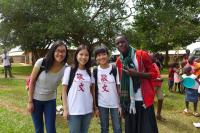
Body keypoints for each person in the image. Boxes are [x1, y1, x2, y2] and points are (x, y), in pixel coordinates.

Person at [115, 35, 158, 133]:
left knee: (147, 129)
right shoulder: (119, 61)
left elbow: (154, 74)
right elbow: (120, 81)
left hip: (144, 101)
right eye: (117, 43)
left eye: (122, 41)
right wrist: (121, 104)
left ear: (128, 41)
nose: (120, 44)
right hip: (129, 102)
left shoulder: (141, 55)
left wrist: (137, 74)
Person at [27, 40, 68, 133]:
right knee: (39, 129)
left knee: (51, 129)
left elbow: (67, 85)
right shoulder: (41, 62)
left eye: (63, 51)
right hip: (36, 100)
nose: (60, 54)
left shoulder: (65, 67)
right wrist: (30, 102)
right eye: (58, 50)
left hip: (50, 101)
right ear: (53, 51)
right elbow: (32, 82)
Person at [62, 44, 94, 133]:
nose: (83, 57)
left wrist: (93, 107)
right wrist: (65, 109)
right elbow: (64, 91)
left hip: (87, 110)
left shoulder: (89, 72)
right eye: (81, 54)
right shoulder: (69, 70)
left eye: (86, 55)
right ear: (76, 55)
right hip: (73, 111)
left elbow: (92, 91)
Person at [93, 46, 122, 133]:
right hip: (102, 104)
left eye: (104, 54)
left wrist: (120, 104)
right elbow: (93, 90)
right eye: (99, 55)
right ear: (96, 58)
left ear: (108, 55)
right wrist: (95, 106)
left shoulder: (114, 68)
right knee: (104, 128)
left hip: (115, 104)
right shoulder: (95, 71)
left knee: (117, 128)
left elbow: (118, 87)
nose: (102, 57)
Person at [151, 53, 165, 120]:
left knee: (161, 98)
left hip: (158, 85)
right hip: (152, 85)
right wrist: (158, 79)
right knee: (150, 101)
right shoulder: (148, 65)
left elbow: (157, 73)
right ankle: (150, 116)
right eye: (153, 57)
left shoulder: (155, 64)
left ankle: (158, 115)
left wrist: (159, 77)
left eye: (155, 57)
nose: (155, 58)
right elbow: (149, 76)